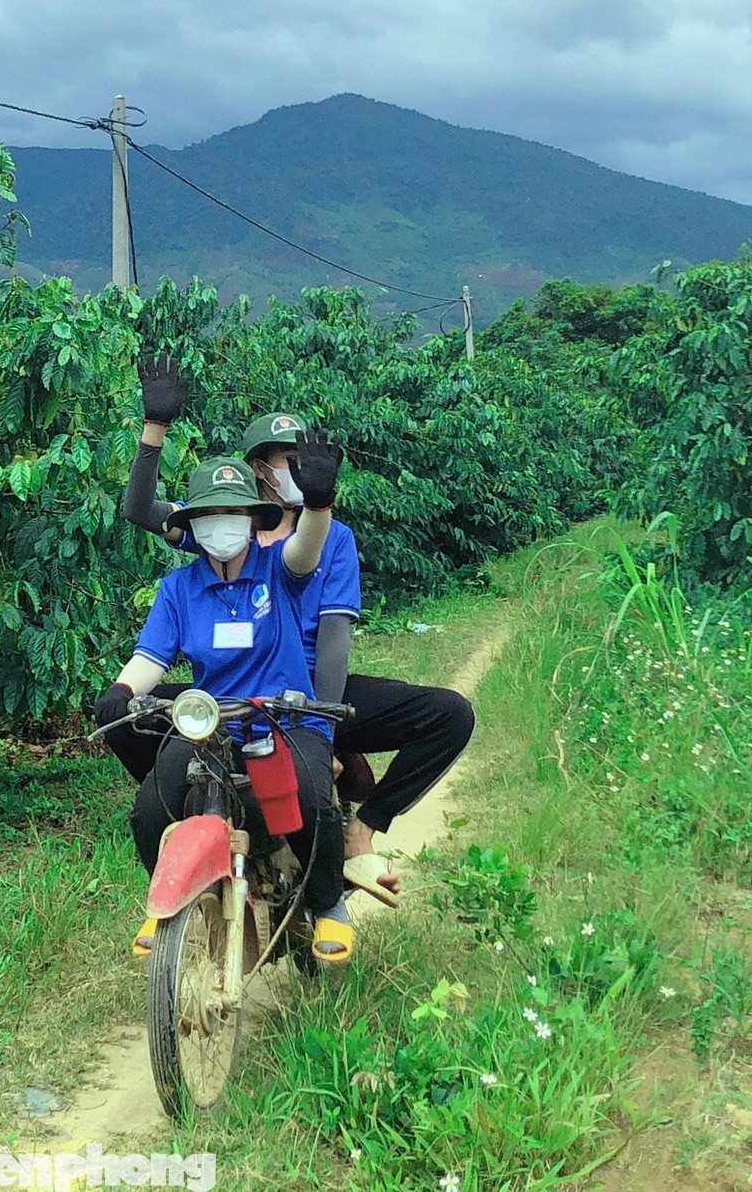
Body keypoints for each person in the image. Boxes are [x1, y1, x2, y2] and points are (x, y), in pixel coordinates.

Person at [117, 354, 475, 908]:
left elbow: (332, 640)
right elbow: (142, 509)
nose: (300, 465)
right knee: (134, 715)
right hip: (233, 690)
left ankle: (362, 828)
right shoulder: (227, 523)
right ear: (260, 467)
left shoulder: (323, 540)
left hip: (314, 689)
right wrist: (155, 428)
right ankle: (201, 808)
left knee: (449, 713)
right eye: (289, 458)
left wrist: (323, 733)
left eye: (307, 457)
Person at [92, 443, 355, 963]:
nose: (223, 524)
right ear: (195, 522)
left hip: (285, 719)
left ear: (252, 518)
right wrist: (122, 692)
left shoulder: (278, 568)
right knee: (151, 810)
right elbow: (152, 656)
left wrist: (319, 505)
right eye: (210, 514)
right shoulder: (178, 588)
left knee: (309, 800)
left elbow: (305, 550)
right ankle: (167, 898)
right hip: (214, 725)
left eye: (233, 512)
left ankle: (328, 903)